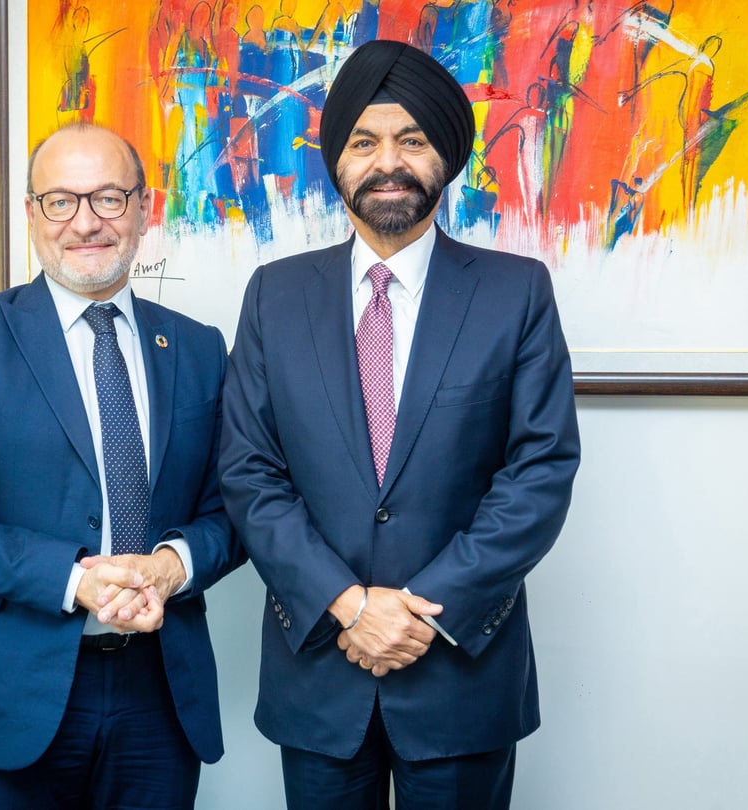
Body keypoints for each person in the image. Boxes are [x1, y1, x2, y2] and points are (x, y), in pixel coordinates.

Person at [219, 40, 581, 809]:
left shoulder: (515, 294)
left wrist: (417, 611)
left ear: (444, 156)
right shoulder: (273, 297)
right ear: (336, 161)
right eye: (364, 141)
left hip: (458, 672)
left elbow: (539, 470)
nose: (388, 161)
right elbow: (251, 473)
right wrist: (347, 604)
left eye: (411, 139)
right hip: (319, 666)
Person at [0, 122, 243, 809]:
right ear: (32, 214)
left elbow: (235, 507)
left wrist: (172, 564)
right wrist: (72, 580)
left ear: (144, 209)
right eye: (61, 201)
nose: (86, 222)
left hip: (159, 692)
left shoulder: (200, 349)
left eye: (109, 198)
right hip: (7, 691)